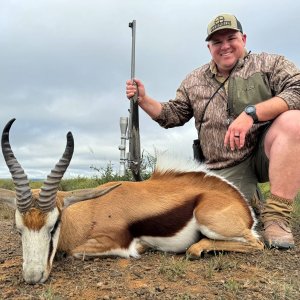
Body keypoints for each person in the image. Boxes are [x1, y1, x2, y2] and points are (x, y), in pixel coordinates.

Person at [126, 13, 300, 249]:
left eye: (231, 38)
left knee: (294, 121)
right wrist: (144, 99)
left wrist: (251, 114)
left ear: (244, 38)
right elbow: (172, 115)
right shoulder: (194, 80)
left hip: (264, 154)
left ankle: (278, 217)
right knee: (203, 218)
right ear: (209, 47)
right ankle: (252, 199)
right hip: (222, 167)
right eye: (217, 42)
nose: (225, 46)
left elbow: (297, 91)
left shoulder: (271, 64)